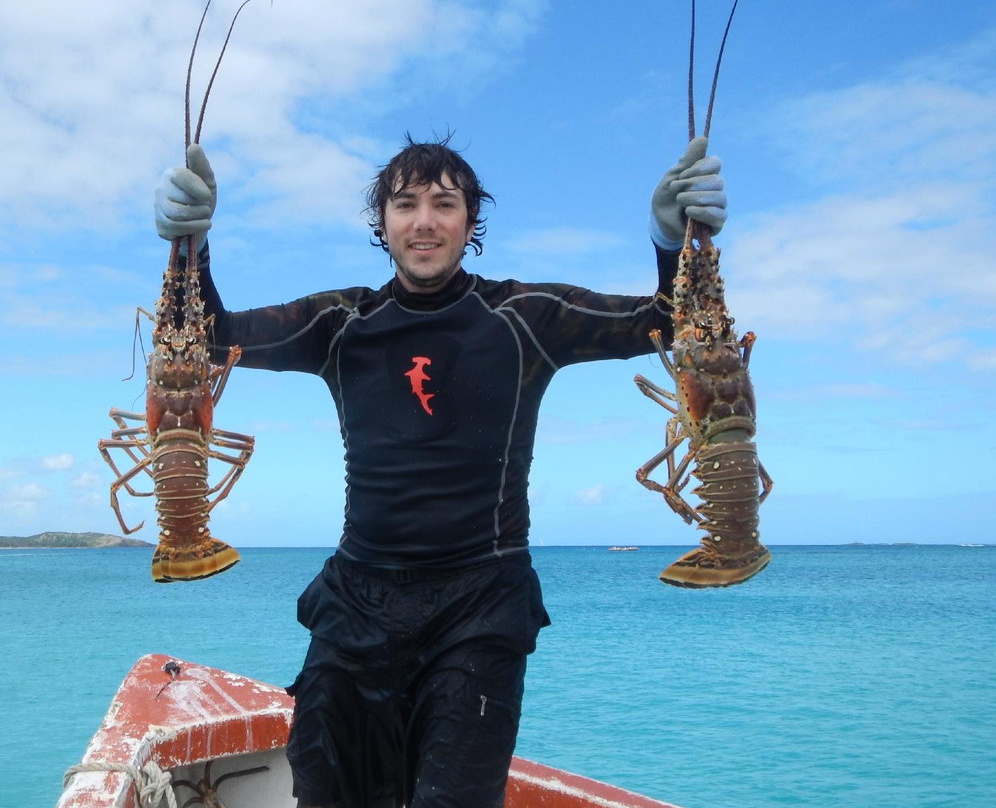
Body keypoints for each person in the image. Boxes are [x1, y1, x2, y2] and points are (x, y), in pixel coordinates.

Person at [153, 133, 726, 808]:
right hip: (355, 603)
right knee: (325, 791)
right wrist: (192, 244)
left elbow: (669, 323)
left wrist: (670, 240)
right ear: (383, 222)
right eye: (405, 204)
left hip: (479, 607)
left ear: (469, 221)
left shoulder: (526, 317)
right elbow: (213, 337)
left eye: (444, 204)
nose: (424, 221)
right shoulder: (340, 322)